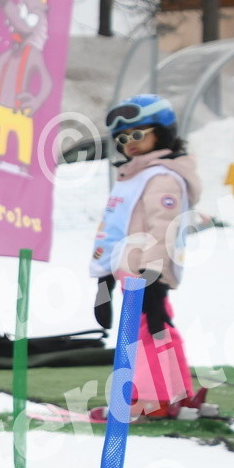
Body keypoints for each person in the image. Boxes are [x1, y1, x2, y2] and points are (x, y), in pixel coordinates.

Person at [89, 94, 214, 421]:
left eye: (137, 134)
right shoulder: (135, 175)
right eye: (122, 138)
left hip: (145, 273)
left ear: (162, 133)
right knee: (158, 329)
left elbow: (164, 229)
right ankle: (175, 395)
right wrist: (104, 279)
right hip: (132, 272)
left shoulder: (161, 177)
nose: (128, 143)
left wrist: (153, 276)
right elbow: (114, 229)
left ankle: (150, 400)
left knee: (145, 334)